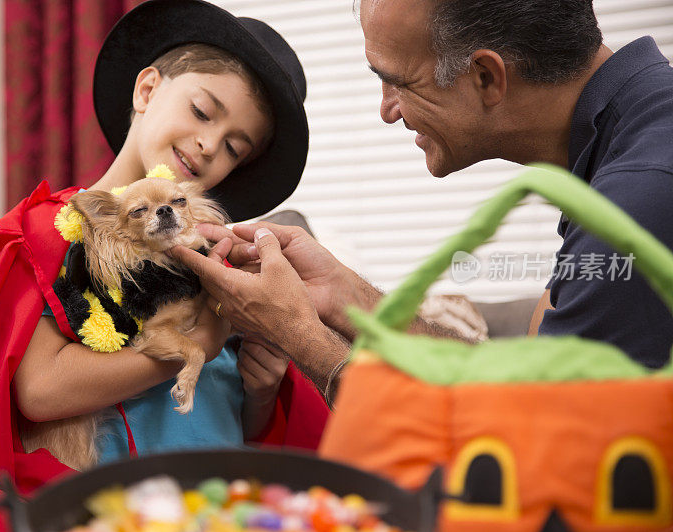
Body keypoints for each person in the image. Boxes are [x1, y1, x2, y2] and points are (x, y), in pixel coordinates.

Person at [0, 1, 327, 531]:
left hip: (220, 501)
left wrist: (260, 393)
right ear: (147, 90)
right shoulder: (45, 233)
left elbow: (236, 417)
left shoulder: (229, 259)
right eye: (202, 112)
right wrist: (194, 350)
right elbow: (40, 390)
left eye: (235, 147)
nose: (210, 144)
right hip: (123, 506)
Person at [169, 0, 673, 404]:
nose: (387, 110)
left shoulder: (636, 201)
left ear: (486, 77)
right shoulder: (623, 141)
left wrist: (298, 334)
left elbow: (523, 455)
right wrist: (351, 301)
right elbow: (520, 390)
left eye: (399, 82)